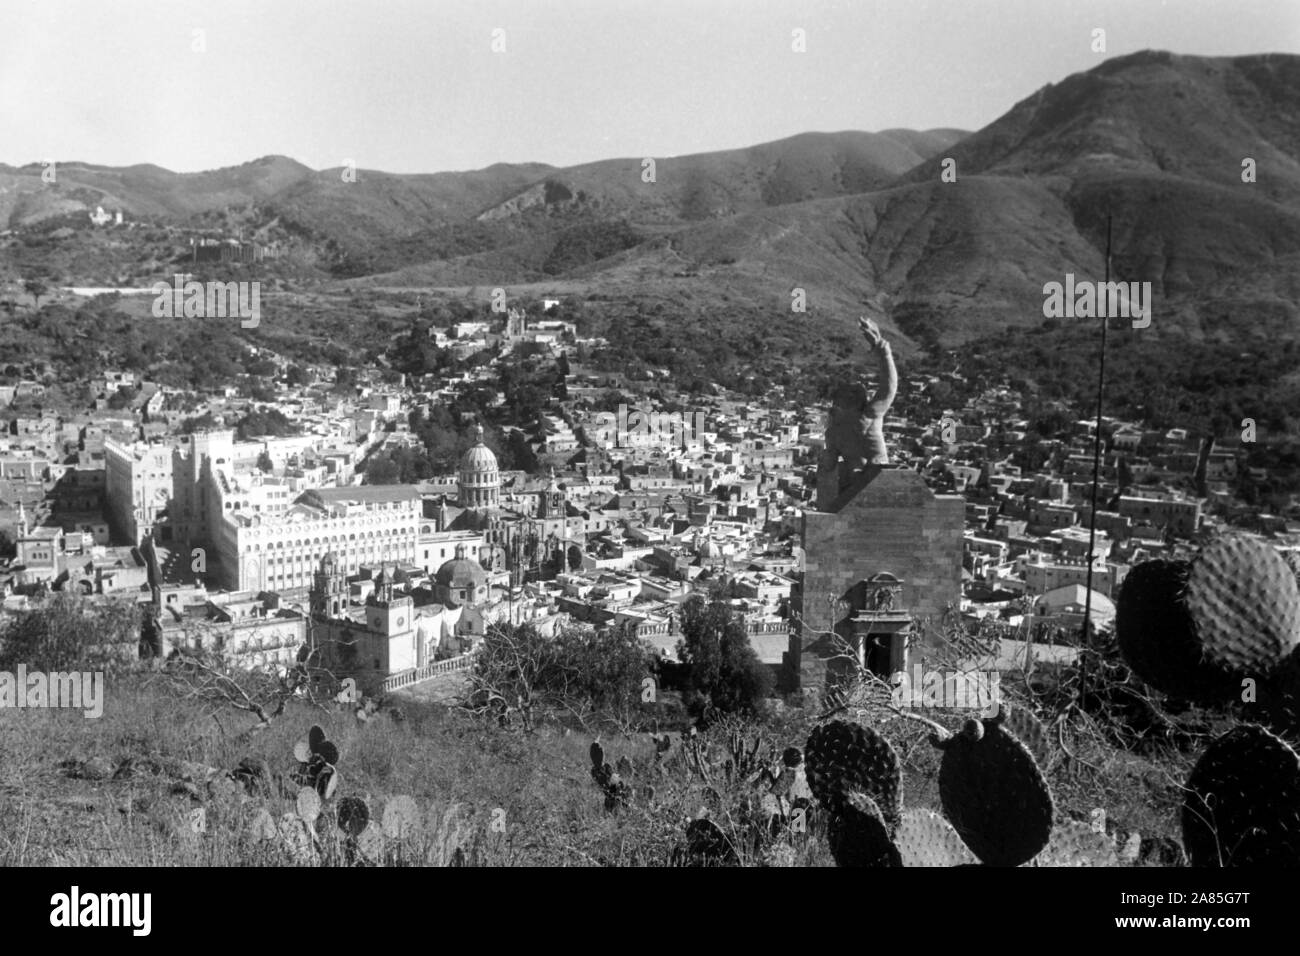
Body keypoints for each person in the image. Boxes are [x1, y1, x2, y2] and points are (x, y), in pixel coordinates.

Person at [817, 315, 898, 508]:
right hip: (857, 483)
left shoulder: (865, 417)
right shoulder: (864, 417)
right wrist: (881, 349)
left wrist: (882, 348)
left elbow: (889, 386)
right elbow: (888, 386)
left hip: (876, 476)